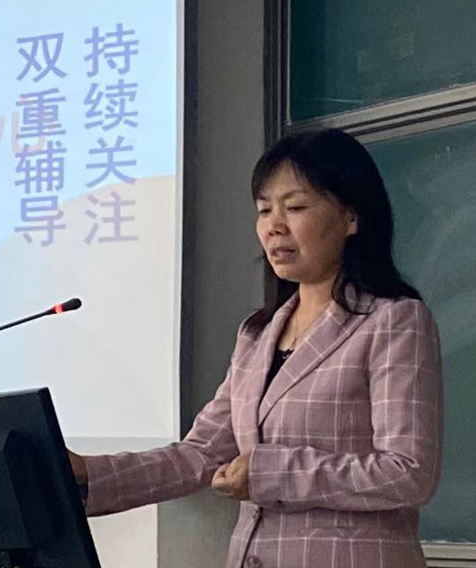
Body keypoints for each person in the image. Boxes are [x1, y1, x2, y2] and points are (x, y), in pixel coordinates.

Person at [70, 128, 443, 568]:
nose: (274, 225)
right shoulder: (257, 334)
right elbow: (201, 453)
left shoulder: (393, 320)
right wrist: (87, 472)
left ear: (351, 216)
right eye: (264, 210)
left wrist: (272, 472)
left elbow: (408, 473)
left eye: (296, 207)